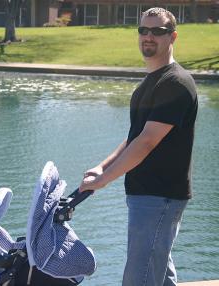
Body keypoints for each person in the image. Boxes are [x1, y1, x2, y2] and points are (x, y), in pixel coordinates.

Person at [79, 7, 198, 286]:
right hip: (148, 195)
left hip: (160, 196)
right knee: (158, 273)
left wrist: (105, 180)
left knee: (140, 279)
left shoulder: (175, 83)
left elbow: (147, 143)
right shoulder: (151, 81)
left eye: (157, 31)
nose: (148, 36)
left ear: (173, 37)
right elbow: (136, 137)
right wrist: (102, 166)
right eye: (143, 30)